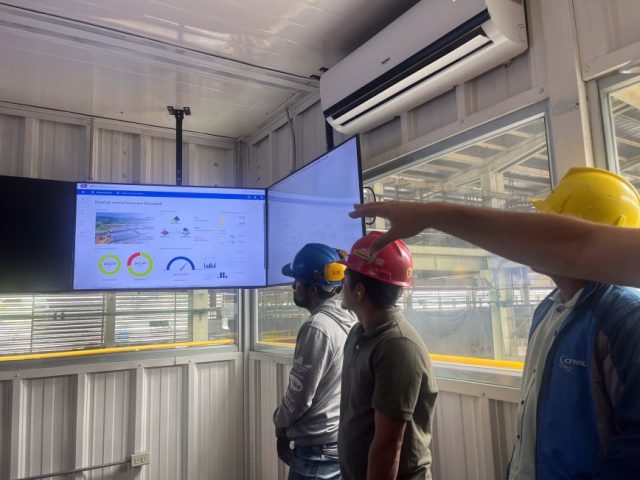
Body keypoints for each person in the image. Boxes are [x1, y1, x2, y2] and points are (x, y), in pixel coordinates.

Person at [501, 168, 640, 478]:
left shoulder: (625, 317)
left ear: (591, 242)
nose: (537, 238)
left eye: (554, 229)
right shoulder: (548, 308)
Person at [348, 178, 640, 288]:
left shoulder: (622, 321)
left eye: (550, 222)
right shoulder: (555, 310)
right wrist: (429, 215)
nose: (539, 234)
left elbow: (572, 247)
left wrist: (430, 214)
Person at [338, 232, 438, 480]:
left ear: (359, 290)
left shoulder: (396, 347)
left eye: (346, 276)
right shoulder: (359, 333)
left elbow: (388, 446)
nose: (341, 283)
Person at [274, 243, 357, 480]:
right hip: (339, 444)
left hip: (316, 456)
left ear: (311, 289)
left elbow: (299, 397)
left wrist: (279, 423)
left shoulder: (317, 328)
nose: (293, 286)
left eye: (297, 280)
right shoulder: (349, 319)